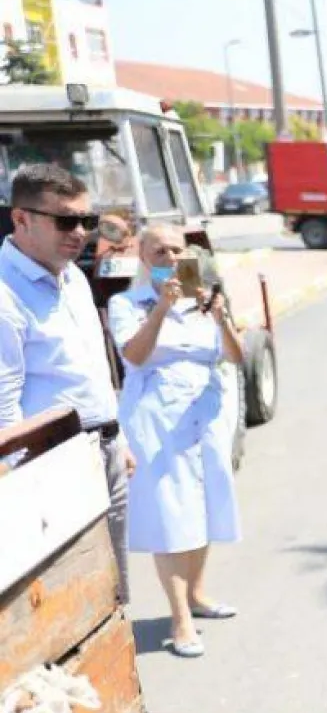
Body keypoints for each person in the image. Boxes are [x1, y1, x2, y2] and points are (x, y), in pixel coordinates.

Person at [0, 164, 188, 713]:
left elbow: (95, 367)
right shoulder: (5, 293)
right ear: (22, 219)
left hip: (101, 451)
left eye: (87, 220)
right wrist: (22, 485)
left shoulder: (73, 280)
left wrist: (118, 434)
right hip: (50, 468)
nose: (80, 233)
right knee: (65, 604)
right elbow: (5, 403)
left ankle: (127, 711)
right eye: (65, 221)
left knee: (114, 591)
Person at [106, 226, 244, 659]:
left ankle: (198, 593)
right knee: (171, 512)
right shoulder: (128, 303)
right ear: (143, 258)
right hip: (158, 419)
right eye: (158, 251)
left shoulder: (204, 300)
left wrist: (221, 318)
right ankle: (180, 616)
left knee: (205, 503)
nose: (168, 257)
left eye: (175, 250)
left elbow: (236, 356)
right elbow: (133, 355)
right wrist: (162, 309)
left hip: (207, 414)